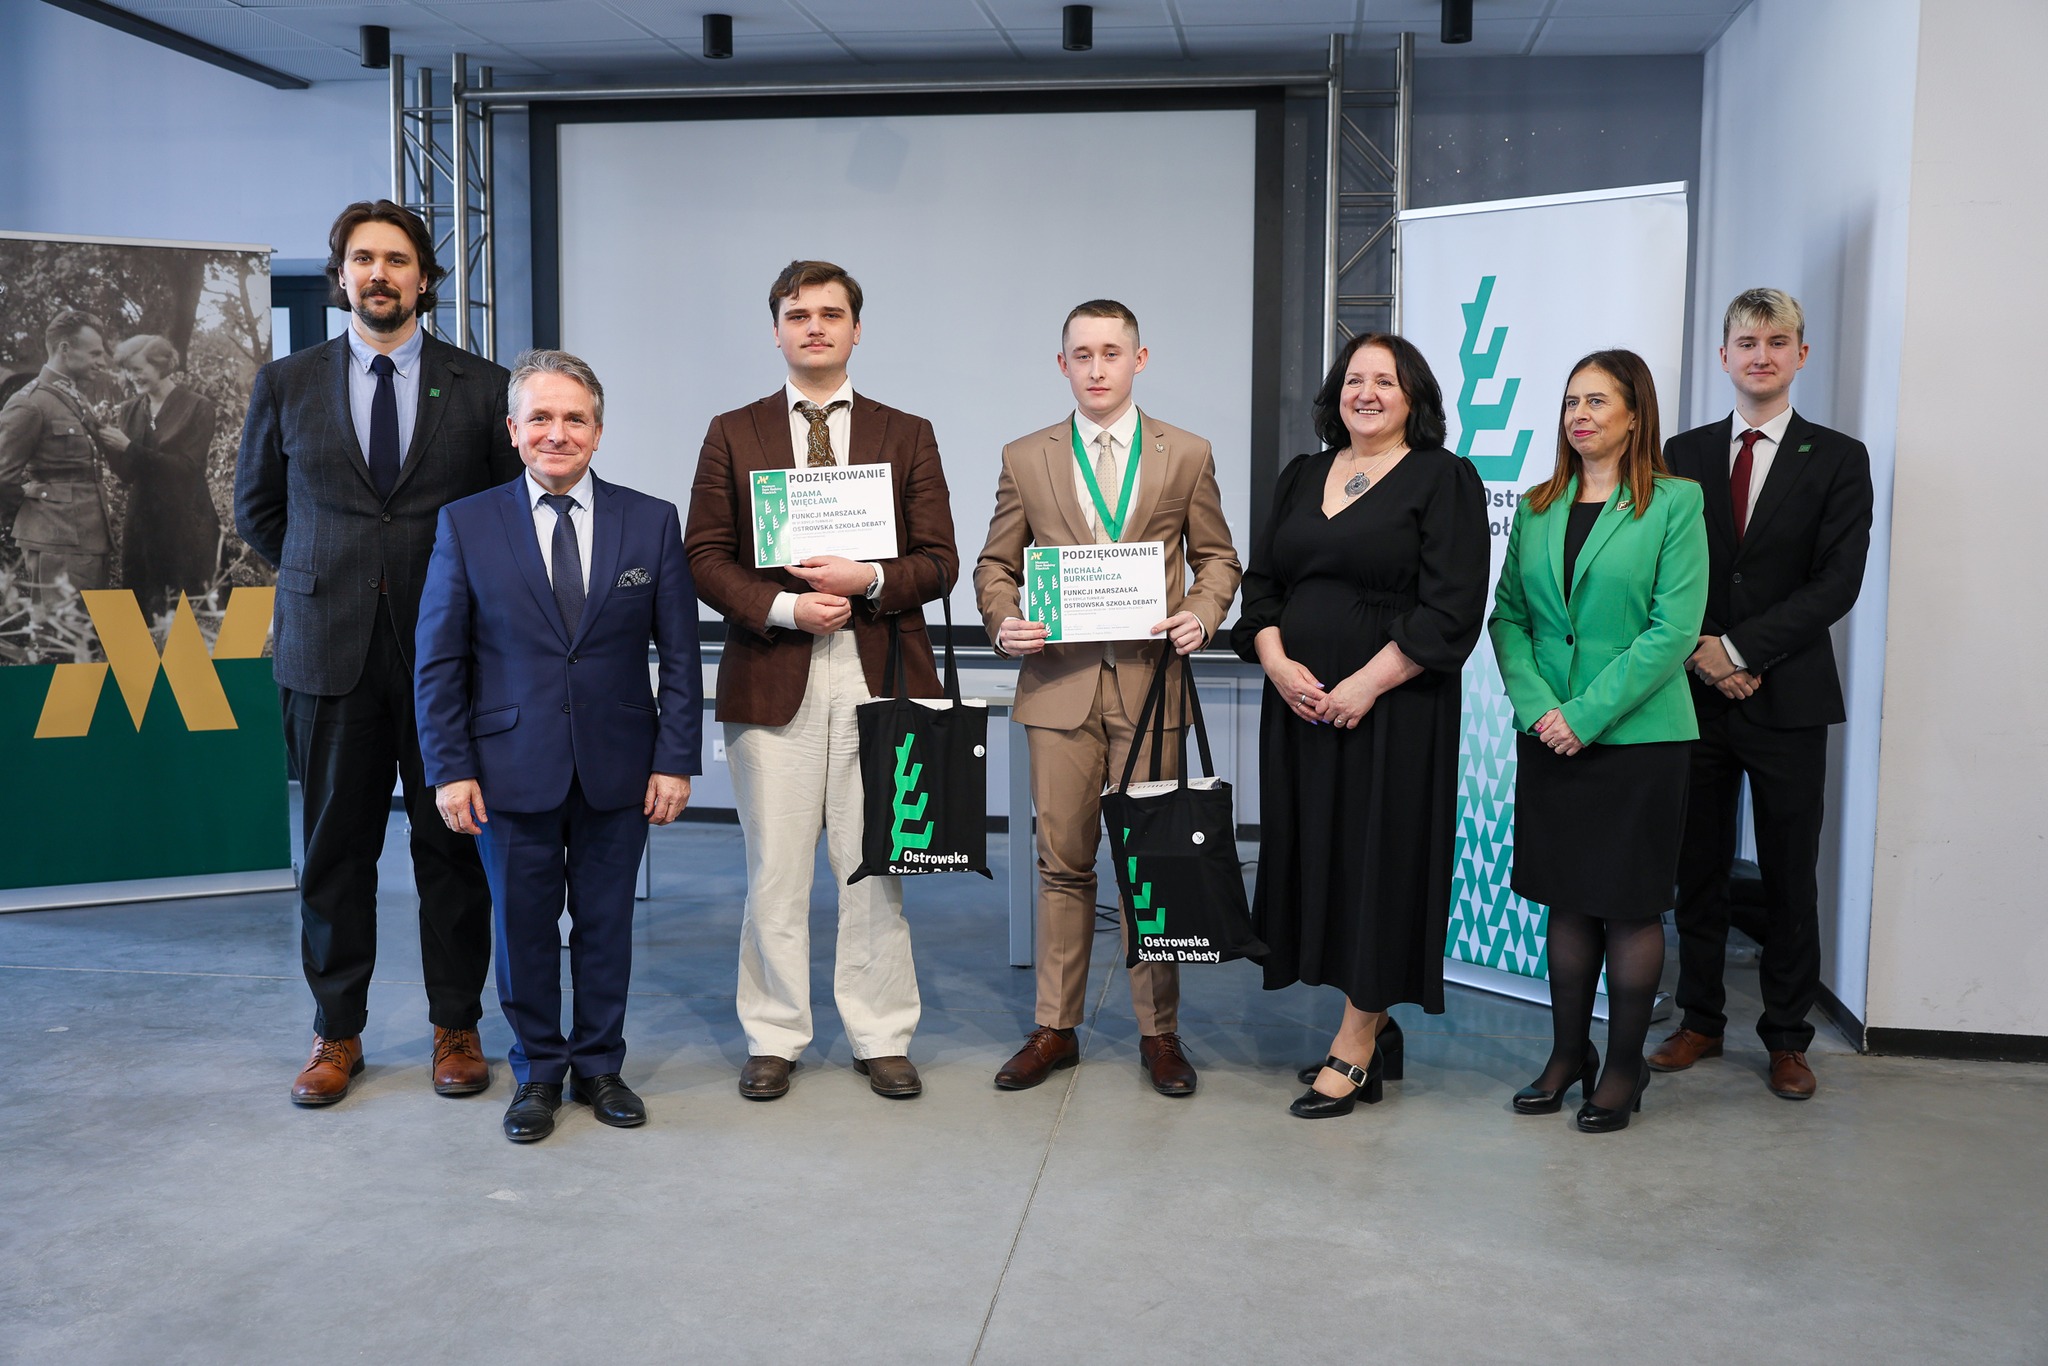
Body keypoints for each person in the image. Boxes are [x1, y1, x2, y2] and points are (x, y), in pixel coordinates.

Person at [234, 200, 520, 1107]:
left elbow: (505, 514)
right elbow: (259, 510)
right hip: (328, 652)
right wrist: (329, 573)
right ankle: (336, 1032)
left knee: (452, 852)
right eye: (363, 259)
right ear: (341, 276)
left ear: (424, 278)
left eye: (397, 260)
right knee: (333, 852)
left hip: (451, 658)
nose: (379, 274)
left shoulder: (482, 386)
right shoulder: (287, 383)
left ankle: (456, 1027)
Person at [684, 260, 958, 1102]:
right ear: (776, 331)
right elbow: (704, 556)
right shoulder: (733, 432)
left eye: (831, 314)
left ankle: (881, 1034)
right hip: (773, 670)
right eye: (798, 314)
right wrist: (785, 607)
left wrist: (868, 578)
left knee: (874, 865)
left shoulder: (905, 432)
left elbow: (939, 560)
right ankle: (774, 1035)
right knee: (775, 871)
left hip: (881, 673)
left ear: (856, 330)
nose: (814, 326)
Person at [416, 349, 701, 1143]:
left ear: (598, 432)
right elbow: (439, 658)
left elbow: (680, 656)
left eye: (575, 418)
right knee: (523, 928)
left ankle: (601, 1065)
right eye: (540, 417)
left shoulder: (651, 521)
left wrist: (675, 759)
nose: (557, 433)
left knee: (608, 926)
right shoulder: (467, 523)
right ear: (513, 430)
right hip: (508, 768)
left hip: (621, 766)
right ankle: (538, 1070)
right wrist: (450, 769)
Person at [974, 299, 1242, 1097]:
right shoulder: (1026, 456)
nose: (1097, 369)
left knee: (1151, 864)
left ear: (1139, 359)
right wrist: (1002, 620)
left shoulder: (1185, 452)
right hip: (1057, 688)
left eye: (1111, 353)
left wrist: (1202, 615)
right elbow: (995, 566)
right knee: (1062, 864)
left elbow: (1219, 559)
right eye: (1082, 355)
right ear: (1063, 364)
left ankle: (1159, 1033)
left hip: (1151, 686)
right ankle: (1054, 1028)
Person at [1228, 333, 1489, 1118]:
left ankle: (1355, 1043)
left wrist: (1367, 684)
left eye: (1385, 381)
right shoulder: (1302, 474)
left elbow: (1452, 609)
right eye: (1353, 379)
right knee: (1325, 861)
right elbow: (1262, 590)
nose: (1365, 393)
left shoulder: (1444, 478)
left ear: (1415, 399)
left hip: (1395, 712)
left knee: (1381, 863)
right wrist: (1277, 663)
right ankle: (1377, 1024)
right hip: (1301, 708)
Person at [1650, 289, 1873, 1100]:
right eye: (1747, 342)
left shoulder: (1839, 458)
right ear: (1724, 356)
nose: (1762, 355)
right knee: (1697, 870)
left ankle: (1786, 1038)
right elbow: (1664, 566)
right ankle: (1701, 1021)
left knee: (1788, 874)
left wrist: (1741, 650)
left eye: (1778, 342)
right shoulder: (1682, 453)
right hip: (1694, 695)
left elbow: (1836, 583)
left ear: (1800, 356)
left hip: (1789, 697)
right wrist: (1706, 652)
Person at [1489, 349, 1706, 1133]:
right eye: (1571, 402)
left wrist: (1584, 715)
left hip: (1639, 739)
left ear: (1635, 416)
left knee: (1629, 906)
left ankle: (1622, 1068)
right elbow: (1508, 617)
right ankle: (1566, 1055)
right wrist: (1542, 708)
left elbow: (1673, 630)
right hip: (1549, 735)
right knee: (1569, 902)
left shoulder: (1675, 502)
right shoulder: (1538, 504)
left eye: (1598, 401)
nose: (1579, 415)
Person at [97, 334, 220, 618]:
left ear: (162, 365)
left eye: (137, 369)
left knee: (189, 610)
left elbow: (189, 469)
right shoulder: (129, 409)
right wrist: (106, 444)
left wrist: (129, 448)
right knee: (142, 609)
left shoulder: (198, 407)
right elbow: (128, 474)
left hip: (185, 520)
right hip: (143, 520)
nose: (131, 377)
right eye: (127, 370)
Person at [0, 310, 115, 606]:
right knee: (62, 630)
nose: (102, 362)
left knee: (88, 627)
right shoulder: (30, 403)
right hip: (57, 540)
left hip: (87, 537)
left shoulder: (72, 396)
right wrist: (39, 509)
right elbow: (2, 476)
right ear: (65, 349)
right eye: (95, 353)